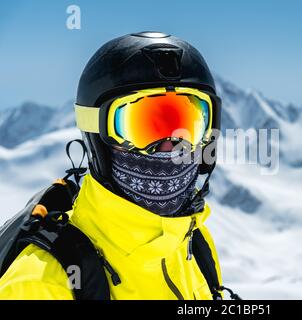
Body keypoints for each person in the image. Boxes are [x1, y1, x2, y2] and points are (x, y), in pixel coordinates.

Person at [0, 32, 225, 300]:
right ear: (98, 138)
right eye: (144, 126)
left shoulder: (195, 245)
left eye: (187, 125)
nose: (170, 146)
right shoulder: (41, 285)